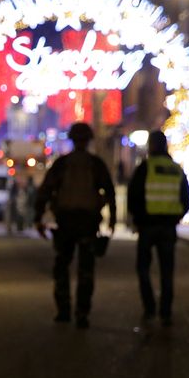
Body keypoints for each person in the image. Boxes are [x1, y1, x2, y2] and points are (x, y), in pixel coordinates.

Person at [33, 122, 116, 329]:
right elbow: (110, 192)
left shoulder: (62, 164)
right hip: (88, 223)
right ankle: (82, 313)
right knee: (86, 270)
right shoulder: (95, 164)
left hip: (66, 223)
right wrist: (112, 219)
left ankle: (63, 311)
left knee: (62, 267)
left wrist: (38, 218)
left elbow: (45, 191)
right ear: (88, 140)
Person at [127, 129, 189, 326]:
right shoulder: (176, 169)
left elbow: (133, 197)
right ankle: (165, 311)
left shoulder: (145, 168)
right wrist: (176, 216)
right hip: (168, 228)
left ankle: (149, 308)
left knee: (143, 268)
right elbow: (186, 199)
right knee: (167, 271)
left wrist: (138, 219)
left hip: (147, 227)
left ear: (151, 146)